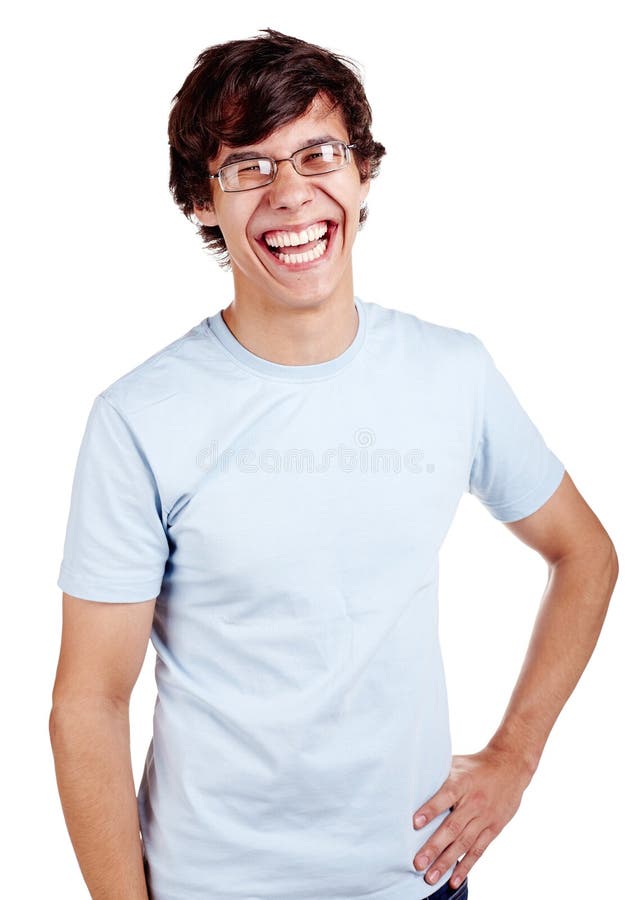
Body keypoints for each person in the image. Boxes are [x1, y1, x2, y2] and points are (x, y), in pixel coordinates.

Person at [49, 28, 618, 900]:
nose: (292, 194)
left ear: (360, 173)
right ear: (203, 202)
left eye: (318, 153)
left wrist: (515, 757)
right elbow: (88, 703)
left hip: (418, 881)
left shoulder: (451, 372)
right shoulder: (140, 419)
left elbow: (585, 553)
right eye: (249, 166)